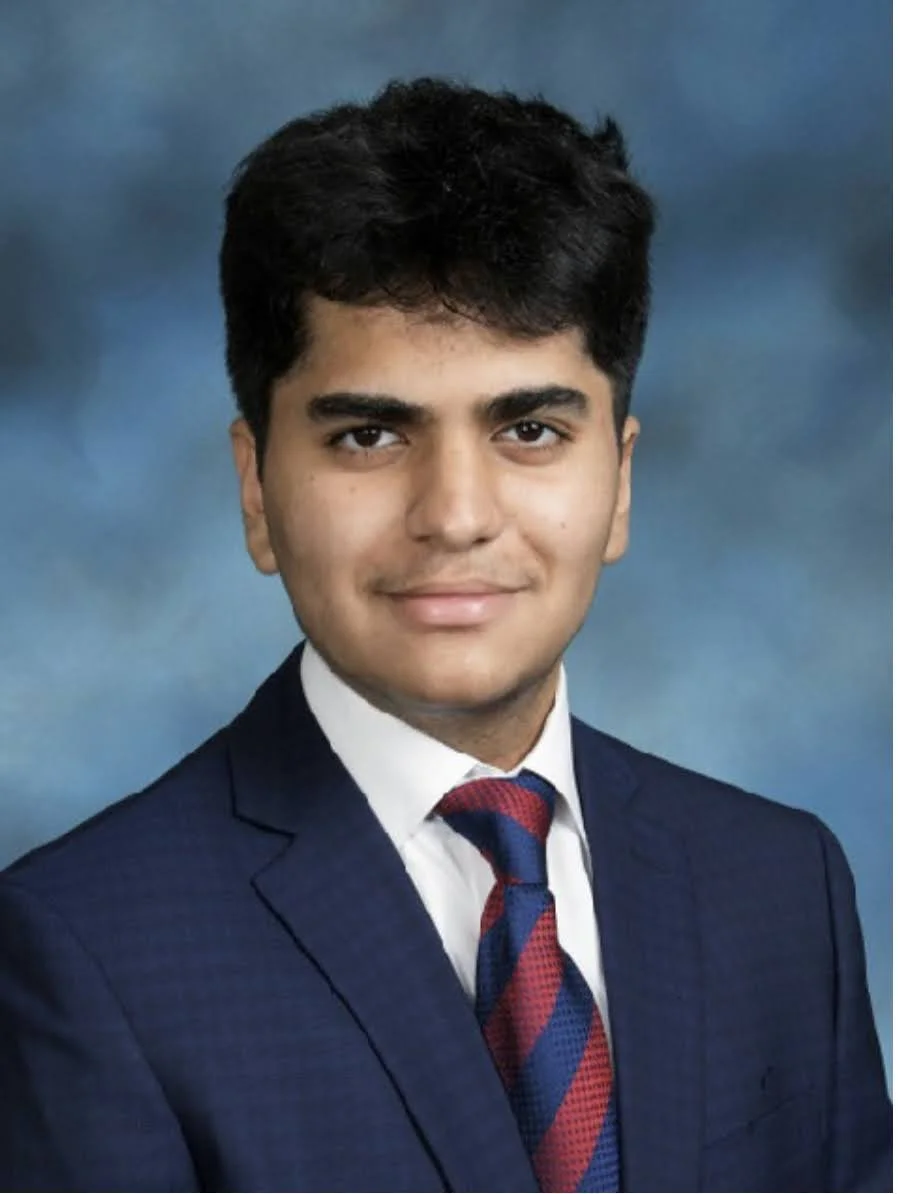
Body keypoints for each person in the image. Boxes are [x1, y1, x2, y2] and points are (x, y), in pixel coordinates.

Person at [0, 78, 890, 1194]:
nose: (457, 514)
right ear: (256, 491)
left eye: (529, 428)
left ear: (618, 483)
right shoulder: (86, 949)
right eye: (369, 435)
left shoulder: (777, 883)